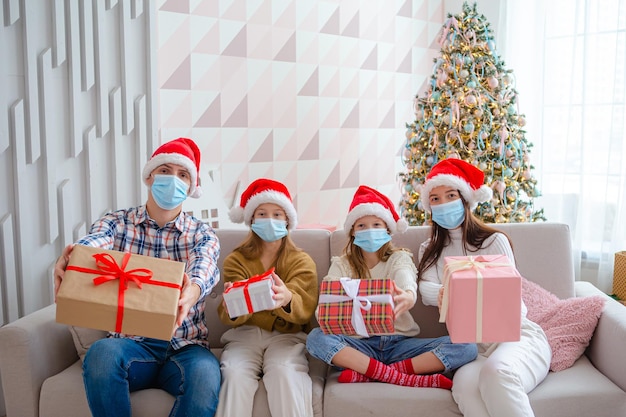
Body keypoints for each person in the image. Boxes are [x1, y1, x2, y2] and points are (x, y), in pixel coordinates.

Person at [53, 137, 221, 417]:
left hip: (186, 347)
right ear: (150, 176)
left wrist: (192, 291)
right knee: (102, 354)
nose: (173, 180)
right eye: (165, 171)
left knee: (205, 376)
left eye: (182, 175)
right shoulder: (117, 223)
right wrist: (72, 257)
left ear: (191, 187)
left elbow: (205, 266)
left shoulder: (202, 233)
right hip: (132, 345)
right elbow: (95, 243)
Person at [306, 185, 477, 389]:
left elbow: (405, 279)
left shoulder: (399, 258)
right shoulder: (342, 264)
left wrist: (408, 295)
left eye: (376, 224)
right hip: (359, 346)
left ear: (388, 229)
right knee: (315, 338)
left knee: (467, 346)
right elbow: (325, 303)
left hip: (399, 344)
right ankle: (398, 376)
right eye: (362, 226)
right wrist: (329, 313)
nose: (370, 230)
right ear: (352, 232)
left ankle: (373, 373)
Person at [417, 158, 551, 417]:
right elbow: (426, 292)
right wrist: (453, 290)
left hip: (517, 338)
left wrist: (454, 290)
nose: (443, 203)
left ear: (465, 199)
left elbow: (508, 295)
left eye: (451, 195)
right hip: (472, 350)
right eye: (435, 198)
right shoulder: (429, 251)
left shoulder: (494, 241)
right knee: (465, 388)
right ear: (429, 207)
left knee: (497, 372)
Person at [216, 178, 318, 417]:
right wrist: (234, 303)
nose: (269, 220)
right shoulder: (236, 259)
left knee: (284, 371)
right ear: (251, 220)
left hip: (286, 336)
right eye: (262, 213)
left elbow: (306, 305)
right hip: (244, 336)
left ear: (287, 220)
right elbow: (227, 314)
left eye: (277, 214)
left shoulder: (301, 261)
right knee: (233, 373)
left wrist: (288, 298)